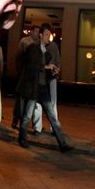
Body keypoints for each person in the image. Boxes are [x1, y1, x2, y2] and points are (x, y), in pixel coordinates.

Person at [17, 24, 71, 152]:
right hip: (33, 88)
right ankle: (22, 138)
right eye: (46, 34)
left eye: (50, 35)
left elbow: (46, 71)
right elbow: (31, 66)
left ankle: (62, 144)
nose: (49, 37)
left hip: (43, 89)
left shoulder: (47, 53)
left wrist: (53, 72)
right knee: (27, 115)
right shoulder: (32, 48)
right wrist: (47, 67)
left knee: (52, 116)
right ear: (40, 35)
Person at [12, 26, 40, 129]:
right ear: (31, 32)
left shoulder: (38, 44)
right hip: (24, 74)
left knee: (29, 101)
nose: (37, 34)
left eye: (38, 32)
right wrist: (19, 70)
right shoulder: (24, 41)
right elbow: (18, 56)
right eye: (36, 31)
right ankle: (16, 119)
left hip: (32, 77)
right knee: (20, 99)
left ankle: (26, 121)